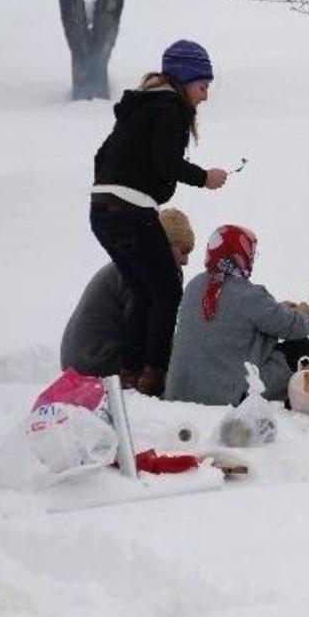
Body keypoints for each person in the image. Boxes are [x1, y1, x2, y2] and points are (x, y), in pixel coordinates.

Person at [89, 39, 228, 396]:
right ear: (185, 80)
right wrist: (204, 177)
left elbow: (100, 155)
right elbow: (166, 162)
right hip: (130, 209)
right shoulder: (169, 108)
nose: (205, 96)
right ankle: (153, 378)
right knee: (167, 290)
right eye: (203, 86)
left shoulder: (140, 108)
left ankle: (129, 374)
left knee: (143, 290)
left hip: (103, 210)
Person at [166, 225, 309, 406]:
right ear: (240, 255)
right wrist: (302, 313)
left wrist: (277, 308)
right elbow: (296, 328)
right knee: (302, 349)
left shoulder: (194, 285)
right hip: (226, 396)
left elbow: (231, 317)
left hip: (180, 391)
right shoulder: (249, 294)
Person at [61, 209, 195, 378]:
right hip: (96, 361)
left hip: (80, 359)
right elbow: (147, 330)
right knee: (172, 375)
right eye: (183, 251)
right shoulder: (144, 272)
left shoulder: (128, 264)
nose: (186, 261)